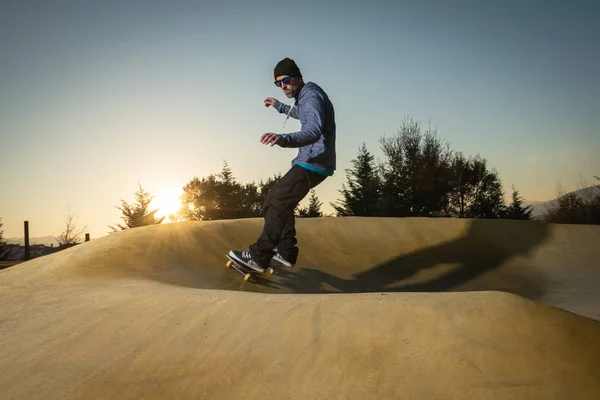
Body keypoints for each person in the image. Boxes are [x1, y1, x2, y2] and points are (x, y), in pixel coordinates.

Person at [228, 57, 336, 272]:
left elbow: (314, 130)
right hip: (311, 162)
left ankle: (259, 257)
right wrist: (278, 106)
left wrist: (283, 138)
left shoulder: (312, 97)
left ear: (298, 77)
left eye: (286, 80)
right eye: (279, 83)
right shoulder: (305, 97)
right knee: (273, 200)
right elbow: (300, 113)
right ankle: (286, 252)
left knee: (277, 202)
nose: (283, 86)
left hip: (313, 163)